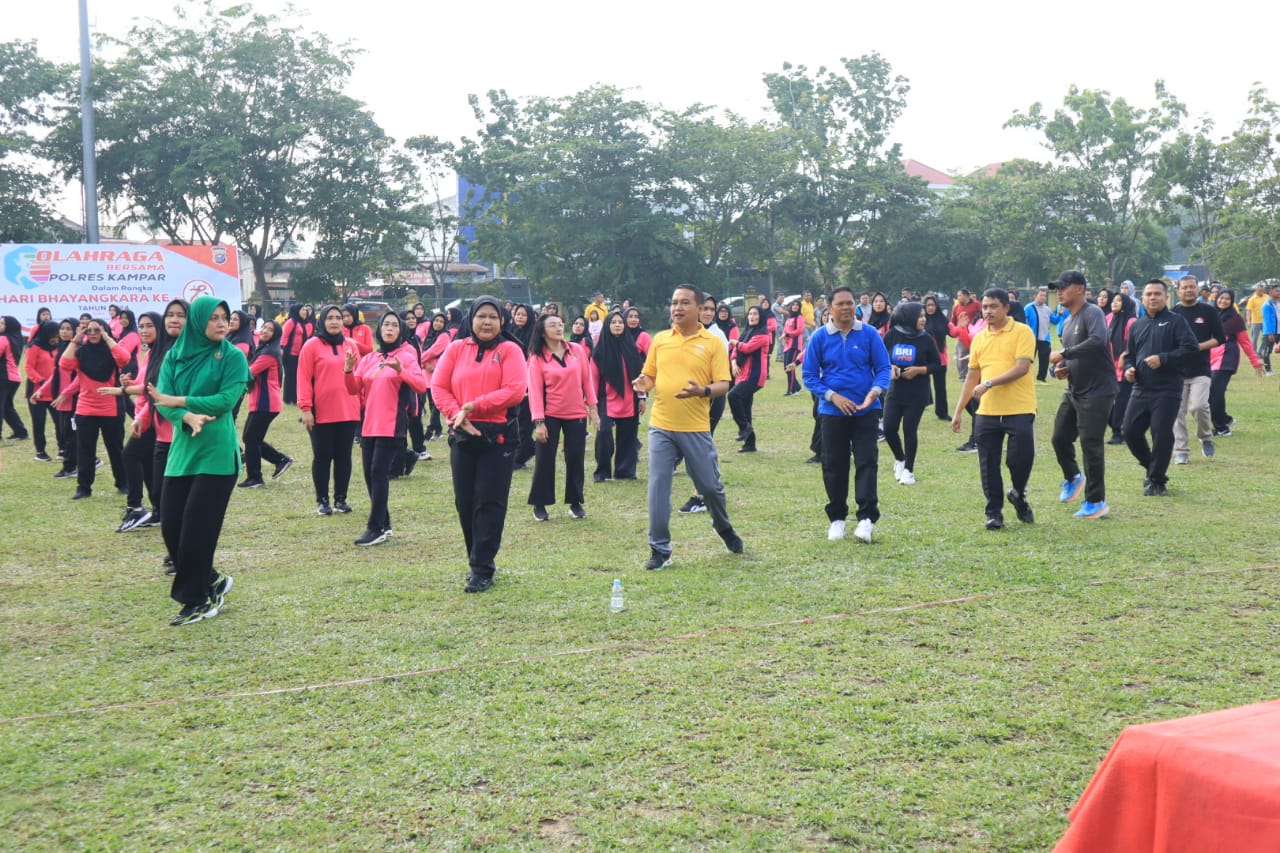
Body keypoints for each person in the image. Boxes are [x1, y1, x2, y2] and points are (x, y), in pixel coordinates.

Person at [147, 295, 247, 626]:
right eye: (214, 318)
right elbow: (161, 402)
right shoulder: (175, 356)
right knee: (172, 528)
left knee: (197, 531)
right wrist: (185, 417)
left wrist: (182, 401)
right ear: (198, 322)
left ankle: (198, 600)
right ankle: (213, 580)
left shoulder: (232, 357)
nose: (221, 324)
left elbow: (226, 399)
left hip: (217, 457)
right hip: (182, 454)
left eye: (225, 318)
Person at [632, 284, 743, 569]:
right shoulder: (661, 339)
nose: (677, 308)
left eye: (684, 303)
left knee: (709, 486)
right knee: (657, 487)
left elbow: (723, 384)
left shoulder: (712, 342)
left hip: (695, 427)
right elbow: (650, 375)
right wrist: (643, 383)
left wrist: (703, 391)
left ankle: (724, 528)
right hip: (661, 426)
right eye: (674, 302)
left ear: (699, 308)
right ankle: (659, 549)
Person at [431, 296, 527, 593]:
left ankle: (482, 567)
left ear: (502, 321)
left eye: (493, 317)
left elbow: (514, 390)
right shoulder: (457, 348)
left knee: (489, 502)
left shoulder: (510, 350)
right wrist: (456, 415)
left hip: (498, 437)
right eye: (481, 316)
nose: (487, 322)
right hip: (462, 433)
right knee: (465, 502)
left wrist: (473, 406)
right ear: (470, 320)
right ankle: (476, 558)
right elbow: (438, 386)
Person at [802, 286, 892, 542]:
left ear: (856, 306)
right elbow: (809, 375)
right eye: (840, 304)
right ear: (829, 308)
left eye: (849, 303)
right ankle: (837, 519)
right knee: (834, 464)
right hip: (832, 412)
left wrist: (875, 391)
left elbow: (883, 368)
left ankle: (865, 519)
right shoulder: (819, 337)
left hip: (866, 411)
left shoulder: (869, 334)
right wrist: (832, 396)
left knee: (866, 461)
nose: (845, 308)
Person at [950, 288, 1037, 530]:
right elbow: (971, 377)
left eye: (993, 306)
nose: (988, 311)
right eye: (985, 307)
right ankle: (994, 513)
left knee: (1019, 460)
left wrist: (988, 383)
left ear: (1006, 308)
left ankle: (1019, 493)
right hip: (986, 412)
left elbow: (1022, 368)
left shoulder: (1022, 332)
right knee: (988, 464)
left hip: (1020, 407)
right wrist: (958, 411)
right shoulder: (979, 338)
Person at [344, 311, 428, 545]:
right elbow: (353, 388)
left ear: (401, 330)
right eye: (385, 325)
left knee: (379, 474)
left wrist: (402, 370)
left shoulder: (407, 355)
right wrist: (349, 369)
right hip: (368, 425)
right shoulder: (370, 357)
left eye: (394, 325)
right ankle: (385, 523)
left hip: (392, 425)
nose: (389, 328)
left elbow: (421, 385)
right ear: (379, 329)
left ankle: (376, 527)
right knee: (370, 476)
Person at [1046, 270, 1116, 520]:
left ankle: (1096, 501)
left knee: (1091, 445)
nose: (1060, 293)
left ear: (1080, 289)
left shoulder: (1093, 312)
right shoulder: (1066, 321)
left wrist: (1064, 354)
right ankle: (1073, 476)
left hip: (1098, 391)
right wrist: (1060, 370)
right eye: (1058, 289)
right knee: (1059, 438)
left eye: (1064, 287)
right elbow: (1073, 357)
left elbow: (1098, 342)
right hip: (1074, 389)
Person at [1120, 280, 1198, 496]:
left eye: (1157, 294)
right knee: (1130, 432)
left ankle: (1156, 481)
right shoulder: (1137, 325)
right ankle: (1152, 468)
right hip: (1140, 388)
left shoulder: (1176, 322)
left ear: (1166, 297)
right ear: (1142, 298)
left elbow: (1190, 349)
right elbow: (1130, 355)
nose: (1152, 297)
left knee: (1161, 434)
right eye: (1148, 294)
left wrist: (1164, 359)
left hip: (1167, 388)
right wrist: (1129, 369)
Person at [526, 313, 598, 520]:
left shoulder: (576, 351)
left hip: (575, 413)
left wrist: (592, 408)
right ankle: (540, 503)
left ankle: (575, 502)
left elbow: (587, 381)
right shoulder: (537, 358)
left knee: (576, 457)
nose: (558, 328)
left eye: (560, 324)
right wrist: (539, 422)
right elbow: (535, 392)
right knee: (545, 460)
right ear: (542, 330)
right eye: (552, 325)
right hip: (549, 415)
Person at [298, 305, 361, 516]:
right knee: (323, 456)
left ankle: (341, 499)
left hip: (348, 411)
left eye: (339, 318)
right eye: (330, 318)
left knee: (344, 456)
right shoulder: (311, 346)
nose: (335, 322)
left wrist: (362, 404)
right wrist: (306, 408)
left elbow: (359, 378)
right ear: (322, 321)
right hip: (321, 412)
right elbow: (304, 379)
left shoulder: (351, 345)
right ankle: (323, 500)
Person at [60, 317, 129, 499]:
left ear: (104, 330)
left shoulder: (111, 352)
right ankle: (84, 488)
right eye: (89, 330)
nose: (92, 334)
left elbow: (125, 358)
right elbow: (64, 364)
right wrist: (76, 338)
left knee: (116, 449)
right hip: (86, 409)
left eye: (96, 330)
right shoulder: (81, 352)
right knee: (85, 450)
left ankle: (123, 483)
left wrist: (107, 338)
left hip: (111, 408)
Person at [882, 302, 942, 486]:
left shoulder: (926, 338)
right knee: (889, 428)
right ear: (908, 318)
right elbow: (881, 358)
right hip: (895, 391)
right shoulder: (892, 335)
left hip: (917, 393)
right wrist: (889, 367)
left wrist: (919, 370)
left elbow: (936, 364)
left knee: (909, 430)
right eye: (920, 316)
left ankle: (909, 469)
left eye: (924, 316)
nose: (923, 319)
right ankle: (900, 458)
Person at [1170, 275, 1225, 464]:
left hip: (1201, 369)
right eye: (1184, 287)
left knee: (1199, 406)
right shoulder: (1173, 313)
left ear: (1198, 289)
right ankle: (1181, 450)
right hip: (1177, 371)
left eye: (1192, 287)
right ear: (1178, 291)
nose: (1188, 290)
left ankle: (1206, 437)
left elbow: (1220, 338)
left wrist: (1197, 347)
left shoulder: (1208, 311)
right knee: (1177, 410)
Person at [238, 319, 293, 488]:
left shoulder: (269, 353)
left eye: (270, 329)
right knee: (251, 437)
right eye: (264, 328)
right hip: (261, 402)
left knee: (250, 438)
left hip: (266, 403)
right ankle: (280, 460)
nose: (265, 331)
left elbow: (248, 372)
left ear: (275, 335)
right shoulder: (264, 349)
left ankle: (256, 477)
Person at [591, 310, 644, 481]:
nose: (617, 325)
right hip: (606, 398)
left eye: (620, 322)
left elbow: (640, 374)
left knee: (628, 436)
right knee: (604, 433)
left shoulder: (632, 348)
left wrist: (642, 397)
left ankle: (625, 471)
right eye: (613, 322)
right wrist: (592, 405)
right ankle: (603, 472)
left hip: (630, 398)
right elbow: (593, 377)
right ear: (607, 326)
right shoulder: (599, 351)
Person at [1208, 289, 1265, 436]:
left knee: (1215, 393)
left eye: (1227, 299)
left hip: (1226, 358)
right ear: (1216, 299)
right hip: (1210, 358)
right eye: (1221, 298)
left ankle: (1222, 428)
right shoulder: (1211, 315)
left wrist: (1255, 361)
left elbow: (1245, 342)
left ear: (1232, 301)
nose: (1223, 301)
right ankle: (1226, 419)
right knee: (1209, 394)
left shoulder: (1235, 319)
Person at [728, 305, 771, 453]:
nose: (752, 316)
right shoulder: (746, 332)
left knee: (733, 395)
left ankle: (744, 427)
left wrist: (735, 343)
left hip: (755, 375)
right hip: (742, 373)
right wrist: (734, 363)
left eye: (755, 314)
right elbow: (735, 351)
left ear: (761, 317)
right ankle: (750, 444)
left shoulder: (763, 334)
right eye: (750, 314)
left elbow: (746, 348)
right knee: (745, 408)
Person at [1106, 293, 1139, 444]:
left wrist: (1124, 356)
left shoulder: (1132, 321)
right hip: (1107, 365)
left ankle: (1118, 433)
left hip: (1124, 365)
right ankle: (1120, 426)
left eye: (1118, 301)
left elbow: (1134, 343)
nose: (1114, 303)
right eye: (1113, 300)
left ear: (1125, 304)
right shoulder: (1108, 318)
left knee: (1121, 400)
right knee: (1105, 400)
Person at [24, 320, 59, 460]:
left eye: (57, 335)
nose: (55, 338)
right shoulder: (34, 347)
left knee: (60, 423)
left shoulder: (58, 347)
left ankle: (63, 448)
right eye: (53, 335)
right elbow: (28, 367)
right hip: (37, 392)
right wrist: (41, 381)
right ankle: (40, 451)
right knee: (39, 423)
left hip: (55, 392)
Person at [0, 316, 30, 440]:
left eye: (2, 323)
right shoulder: (16, 338)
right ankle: (20, 432)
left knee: (3, 406)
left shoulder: (3, 339)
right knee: (7, 407)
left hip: (3, 376)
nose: (0, 325)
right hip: (13, 378)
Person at [1025, 287, 1064, 381]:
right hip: (1032, 338)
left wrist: (1060, 314)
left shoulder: (1047, 309)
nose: (1043, 297)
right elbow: (1024, 322)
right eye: (1041, 295)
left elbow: (1054, 321)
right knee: (1028, 359)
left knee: (1044, 360)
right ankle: (1026, 377)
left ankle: (1041, 378)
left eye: (1044, 296)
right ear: (1035, 296)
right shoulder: (1028, 308)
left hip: (1045, 339)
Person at [922, 295, 951, 420]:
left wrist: (961, 326)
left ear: (937, 306)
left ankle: (942, 413)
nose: (930, 307)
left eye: (933, 305)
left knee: (940, 388)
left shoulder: (942, 319)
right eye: (928, 305)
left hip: (940, 360)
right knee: (921, 386)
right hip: (924, 359)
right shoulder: (920, 319)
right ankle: (919, 409)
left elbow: (953, 332)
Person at [280, 304, 313, 405]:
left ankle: (295, 398)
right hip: (289, 354)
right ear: (297, 311)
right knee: (290, 376)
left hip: (299, 354)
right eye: (303, 310)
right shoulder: (291, 322)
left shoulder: (302, 323)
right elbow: (284, 336)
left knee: (296, 376)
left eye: (306, 310)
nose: (305, 312)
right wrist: (282, 349)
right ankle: (288, 398)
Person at [950, 289, 980, 381]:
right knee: (962, 355)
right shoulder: (956, 307)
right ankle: (963, 376)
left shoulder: (977, 305)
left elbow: (982, 316)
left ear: (966, 296)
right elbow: (953, 321)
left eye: (960, 295)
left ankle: (976, 374)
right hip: (962, 336)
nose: (958, 298)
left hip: (975, 335)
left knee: (976, 355)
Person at [782, 301, 805, 395]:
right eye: (794, 305)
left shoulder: (799, 318)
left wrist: (788, 334)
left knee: (789, 366)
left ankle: (792, 390)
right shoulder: (789, 318)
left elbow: (799, 330)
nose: (795, 306)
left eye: (797, 305)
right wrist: (784, 336)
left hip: (794, 345)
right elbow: (785, 330)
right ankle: (797, 386)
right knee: (786, 367)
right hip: (787, 345)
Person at [1244, 282, 1269, 354]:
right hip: (1255, 321)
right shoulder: (1252, 299)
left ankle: (1260, 350)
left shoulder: (1267, 297)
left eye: (1262, 290)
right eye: (1259, 290)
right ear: (1256, 290)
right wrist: (1248, 320)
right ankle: (1253, 352)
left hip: (1265, 321)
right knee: (1254, 338)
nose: (1261, 291)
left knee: (1266, 336)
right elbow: (1249, 310)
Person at [1262, 283, 1280, 375]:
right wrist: (1269, 333)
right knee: (1266, 352)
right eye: (1277, 291)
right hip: (1270, 332)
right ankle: (1268, 370)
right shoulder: (1267, 305)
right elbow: (1267, 320)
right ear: (1271, 292)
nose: (1279, 292)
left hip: (1279, 331)